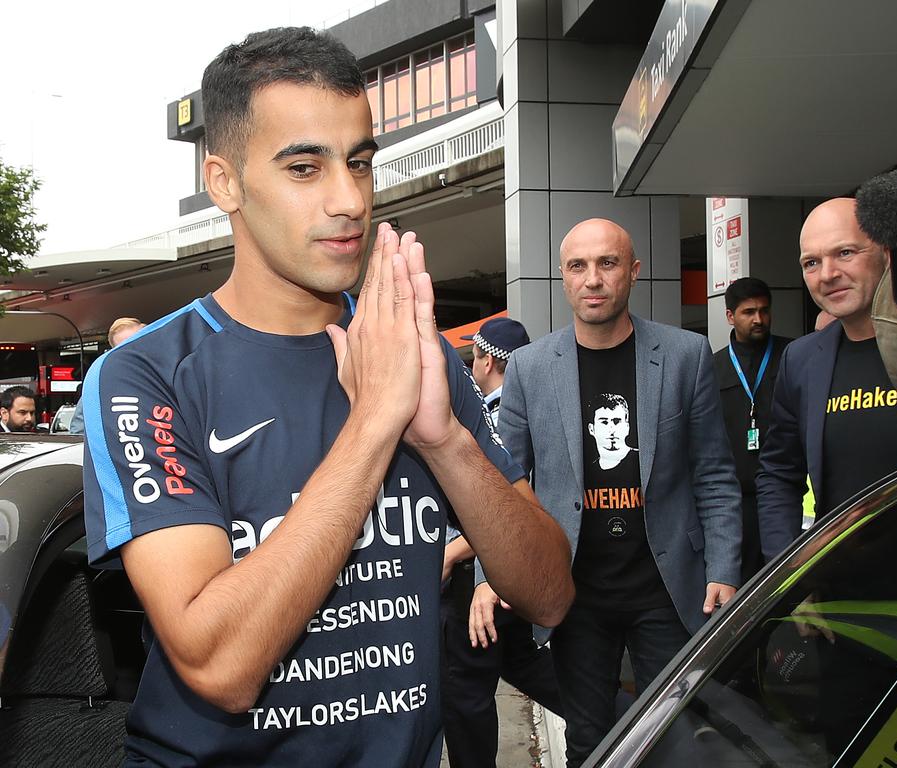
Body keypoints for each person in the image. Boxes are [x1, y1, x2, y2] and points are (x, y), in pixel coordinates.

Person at [81, 27, 572, 768]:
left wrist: (445, 442)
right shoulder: (146, 374)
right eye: (305, 167)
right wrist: (376, 420)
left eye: (361, 163)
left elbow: (550, 595)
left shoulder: (418, 355)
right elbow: (219, 667)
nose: (349, 200)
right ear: (224, 182)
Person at [484, 217, 741, 767]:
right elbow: (504, 486)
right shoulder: (529, 369)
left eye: (608, 263)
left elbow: (714, 473)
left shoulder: (684, 355)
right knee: (589, 743)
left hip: (667, 589)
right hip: (576, 593)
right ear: (562, 277)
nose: (593, 279)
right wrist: (492, 575)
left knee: (673, 740)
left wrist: (723, 568)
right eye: (578, 266)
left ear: (634, 272)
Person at [756, 197, 897, 560]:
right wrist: (786, 572)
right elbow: (777, 472)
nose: (827, 274)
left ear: (886, 252)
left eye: (845, 252)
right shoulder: (802, 359)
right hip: (838, 592)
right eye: (811, 262)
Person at [440, 317, 562, 768]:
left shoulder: (496, 421)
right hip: (510, 580)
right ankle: (632, 726)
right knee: (526, 666)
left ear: (486, 357)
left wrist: (452, 555)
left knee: (466, 695)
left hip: (482, 582)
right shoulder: (531, 407)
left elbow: (504, 509)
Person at [712, 277, 791, 582]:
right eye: (748, 312)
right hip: (736, 500)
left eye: (764, 310)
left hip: (783, 494)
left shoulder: (792, 356)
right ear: (730, 316)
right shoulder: (712, 367)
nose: (759, 319)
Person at [69, 317, 147, 435]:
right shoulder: (97, 389)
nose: (134, 352)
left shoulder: (173, 375)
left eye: (138, 343)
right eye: (125, 348)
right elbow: (79, 435)